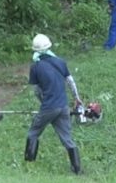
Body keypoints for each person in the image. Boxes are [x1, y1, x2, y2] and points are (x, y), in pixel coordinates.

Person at [26, 34, 84, 174]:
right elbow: (70, 82)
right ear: (49, 46)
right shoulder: (60, 62)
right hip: (63, 107)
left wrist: (44, 105)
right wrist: (77, 98)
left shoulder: (35, 67)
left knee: (33, 133)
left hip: (49, 107)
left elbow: (37, 91)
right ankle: (77, 169)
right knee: (67, 138)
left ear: (35, 50)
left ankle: (29, 163)